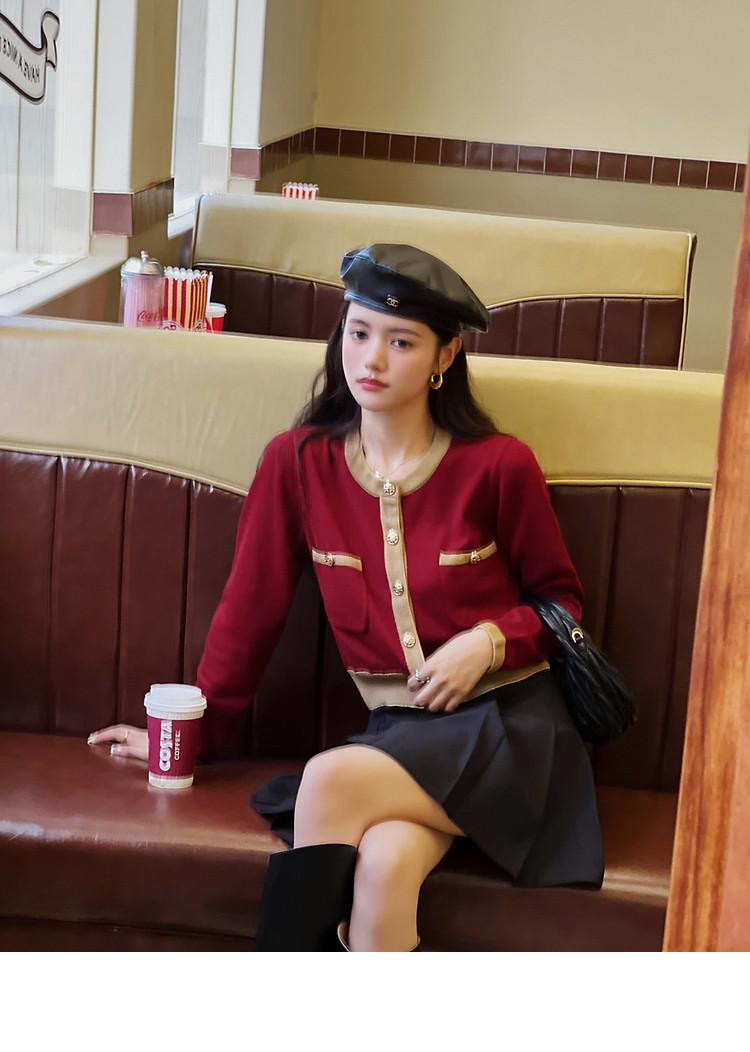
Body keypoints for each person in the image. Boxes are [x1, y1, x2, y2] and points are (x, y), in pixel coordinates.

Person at [88, 242, 604, 951]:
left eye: (401, 342)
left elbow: (562, 601)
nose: (372, 359)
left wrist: (485, 645)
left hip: (512, 730)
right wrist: (189, 735)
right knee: (385, 865)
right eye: (358, 333)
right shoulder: (298, 464)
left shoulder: (498, 465)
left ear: (446, 355)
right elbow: (250, 613)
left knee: (327, 782)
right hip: (405, 738)